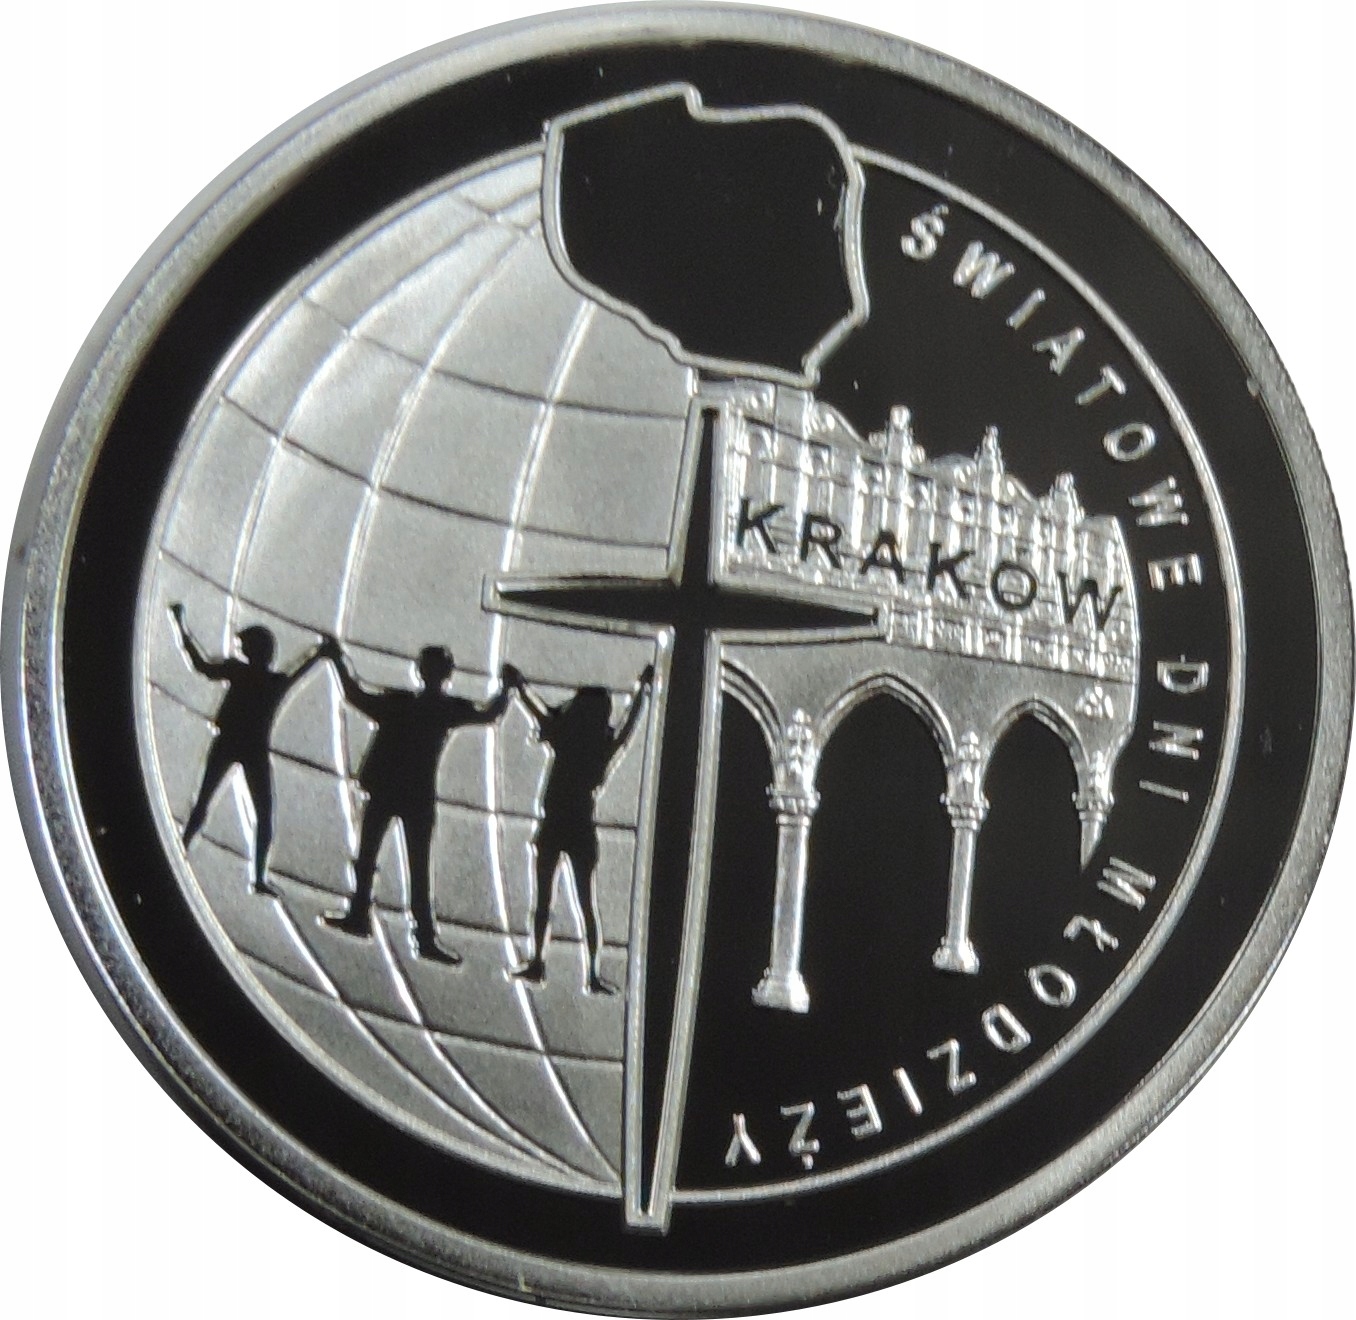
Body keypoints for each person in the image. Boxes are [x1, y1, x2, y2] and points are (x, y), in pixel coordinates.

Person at [323, 643, 516, 963]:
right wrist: (507, 689)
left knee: (380, 858)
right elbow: (488, 714)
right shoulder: (441, 708)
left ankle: (366, 917)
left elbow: (355, 696)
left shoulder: (402, 703)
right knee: (402, 864)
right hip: (410, 795)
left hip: (394, 792)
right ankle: (414, 935)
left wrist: (337, 662)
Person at [510, 664, 654, 994]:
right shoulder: (600, 744)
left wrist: (520, 687)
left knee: (547, 900)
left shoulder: (565, 736)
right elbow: (628, 726)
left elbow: (537, 710)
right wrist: (642, 692)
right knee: (584, 903)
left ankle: (541, 962)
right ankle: (588, 973)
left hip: (558, 825)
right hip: (577, 828)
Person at [171, 603, 331, 895]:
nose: (242, 648)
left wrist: (181, 627)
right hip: (248, 748)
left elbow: (202, 666)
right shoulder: (271, 681)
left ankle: (184, 850)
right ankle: (253, 876)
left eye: (246, 645)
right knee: (255, 812)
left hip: (235, 745)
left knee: (210, 802)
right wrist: (318, 654)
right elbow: (298, 671)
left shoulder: (242, 672)